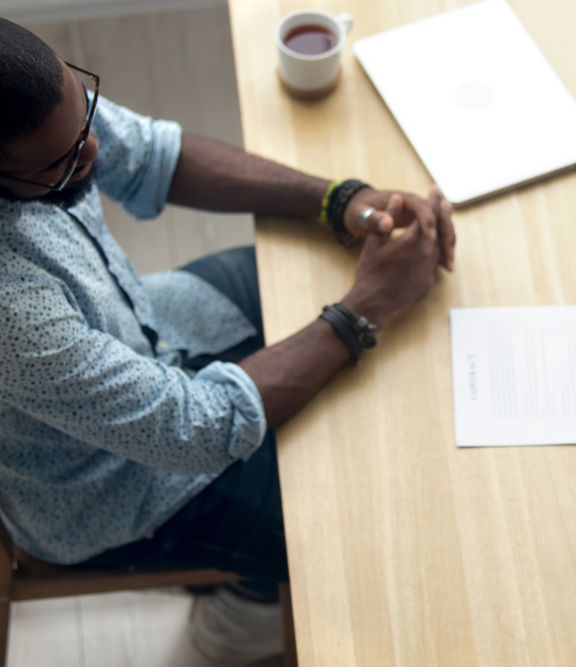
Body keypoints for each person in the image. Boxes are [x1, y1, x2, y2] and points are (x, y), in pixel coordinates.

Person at [0, 18, 455, 663]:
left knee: (291, 274)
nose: (94, 150)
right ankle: (240, 616)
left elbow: (155, 155)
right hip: (121, 488)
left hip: (148, 329)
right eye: (65, 160)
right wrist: (365, 308)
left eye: (86, 118)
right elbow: (196, 427)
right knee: (355, 520)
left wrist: (342, 200)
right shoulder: (10, 309)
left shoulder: (43, 121)